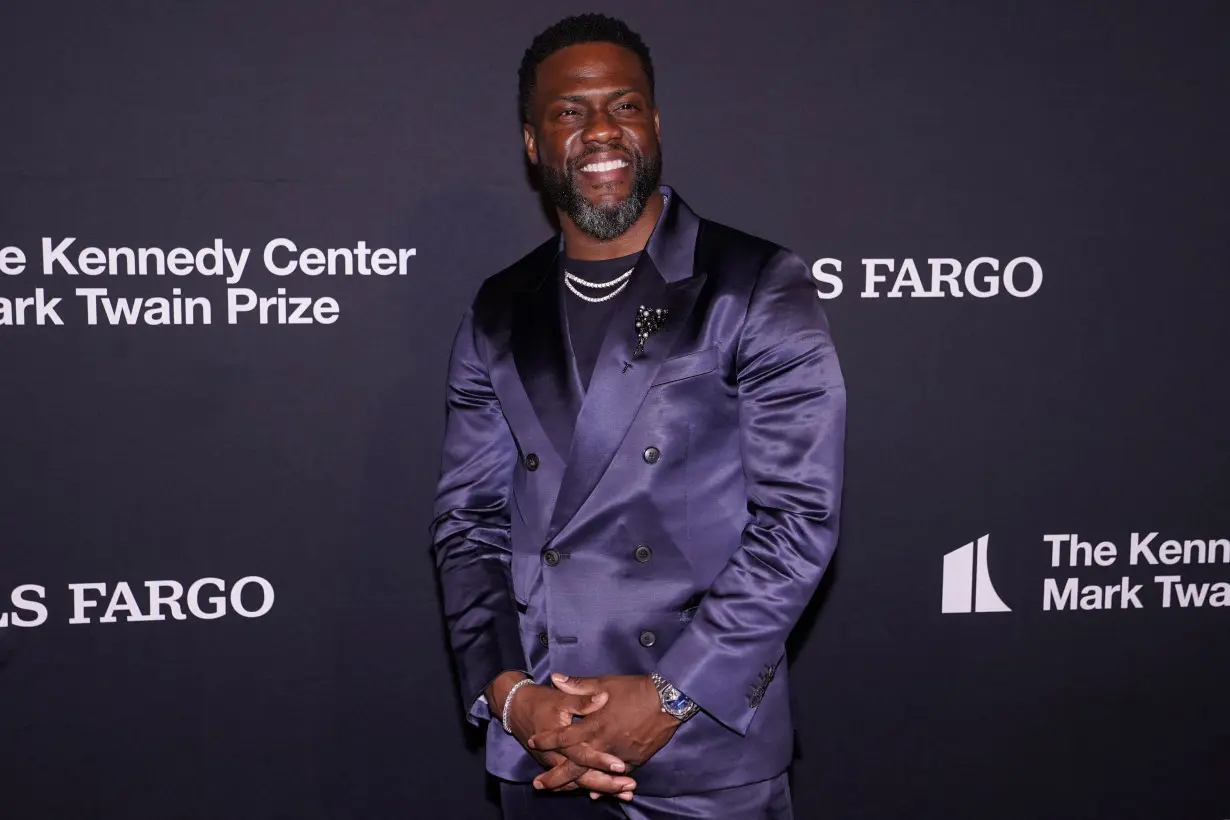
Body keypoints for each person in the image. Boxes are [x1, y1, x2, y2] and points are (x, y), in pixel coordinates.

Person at [430, 13, 846, 820]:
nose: (599, 131)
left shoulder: (753, 283)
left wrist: (669, 697)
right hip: (544, 746)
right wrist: (515, 699)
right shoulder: (498, 308)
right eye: (568, 111)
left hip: (704, 746)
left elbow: (797, 519)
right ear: (532, 142)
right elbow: (467, 523)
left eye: (623, 105)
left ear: (654, 123)